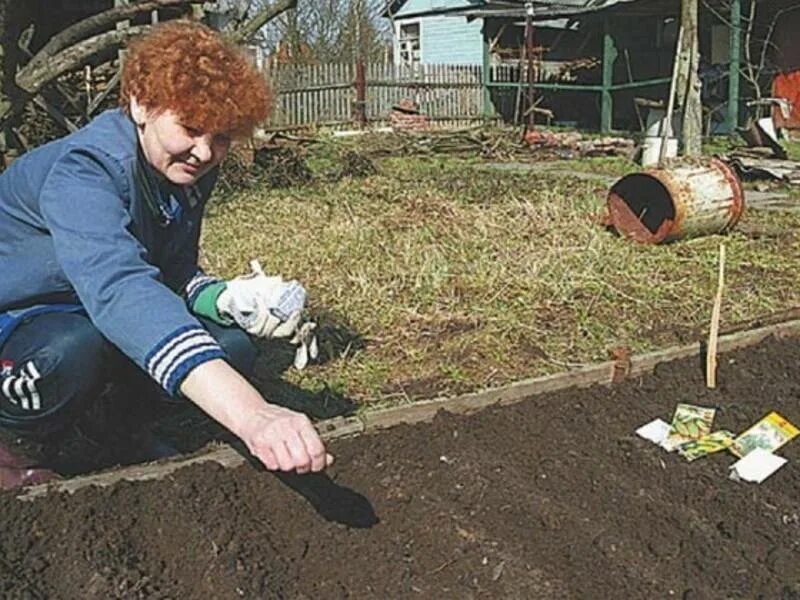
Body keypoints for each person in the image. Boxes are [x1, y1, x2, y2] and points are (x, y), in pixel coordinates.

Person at [0, 20, 332, 490]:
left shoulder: (181, 171)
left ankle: (114, 428)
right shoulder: (84, 171)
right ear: (140, 104)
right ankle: (13, 442)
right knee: (71, 351)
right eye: (191, 128)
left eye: (221, 137)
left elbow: (167, 273)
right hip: (22, 313)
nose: (204, 151)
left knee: (231, 347)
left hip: (85, 307)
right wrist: (253, 414)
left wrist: (223, 298)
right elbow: (119, 288)